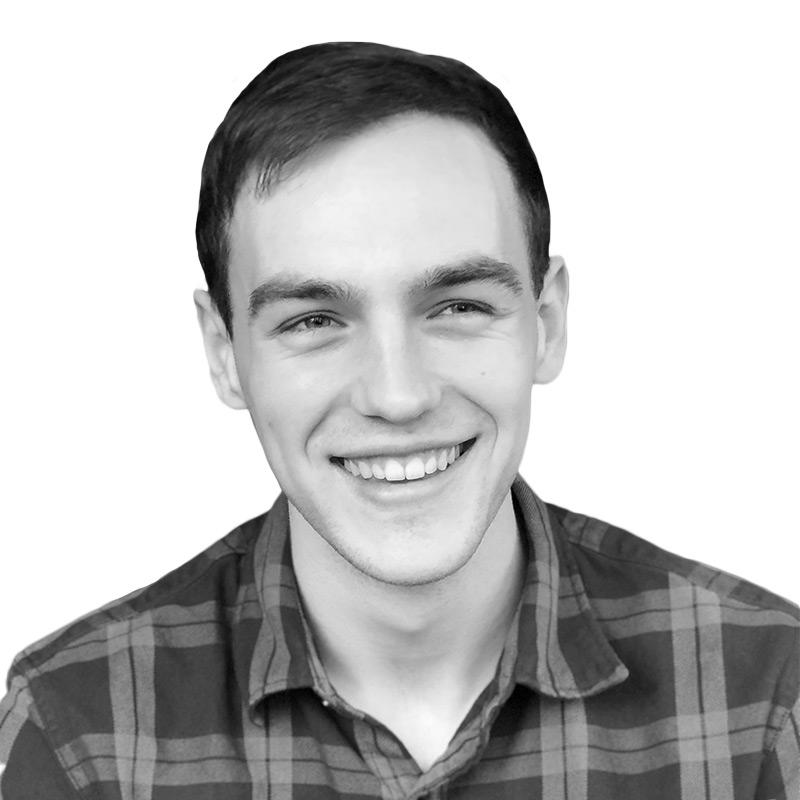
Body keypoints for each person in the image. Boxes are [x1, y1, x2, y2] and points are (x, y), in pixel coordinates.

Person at [0, 41, 797, 799]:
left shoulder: (768, 695)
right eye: (313, 321)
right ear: (224, 353)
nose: (398, 394)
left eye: (458, 307)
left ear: (546, 323)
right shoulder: (80, 729)